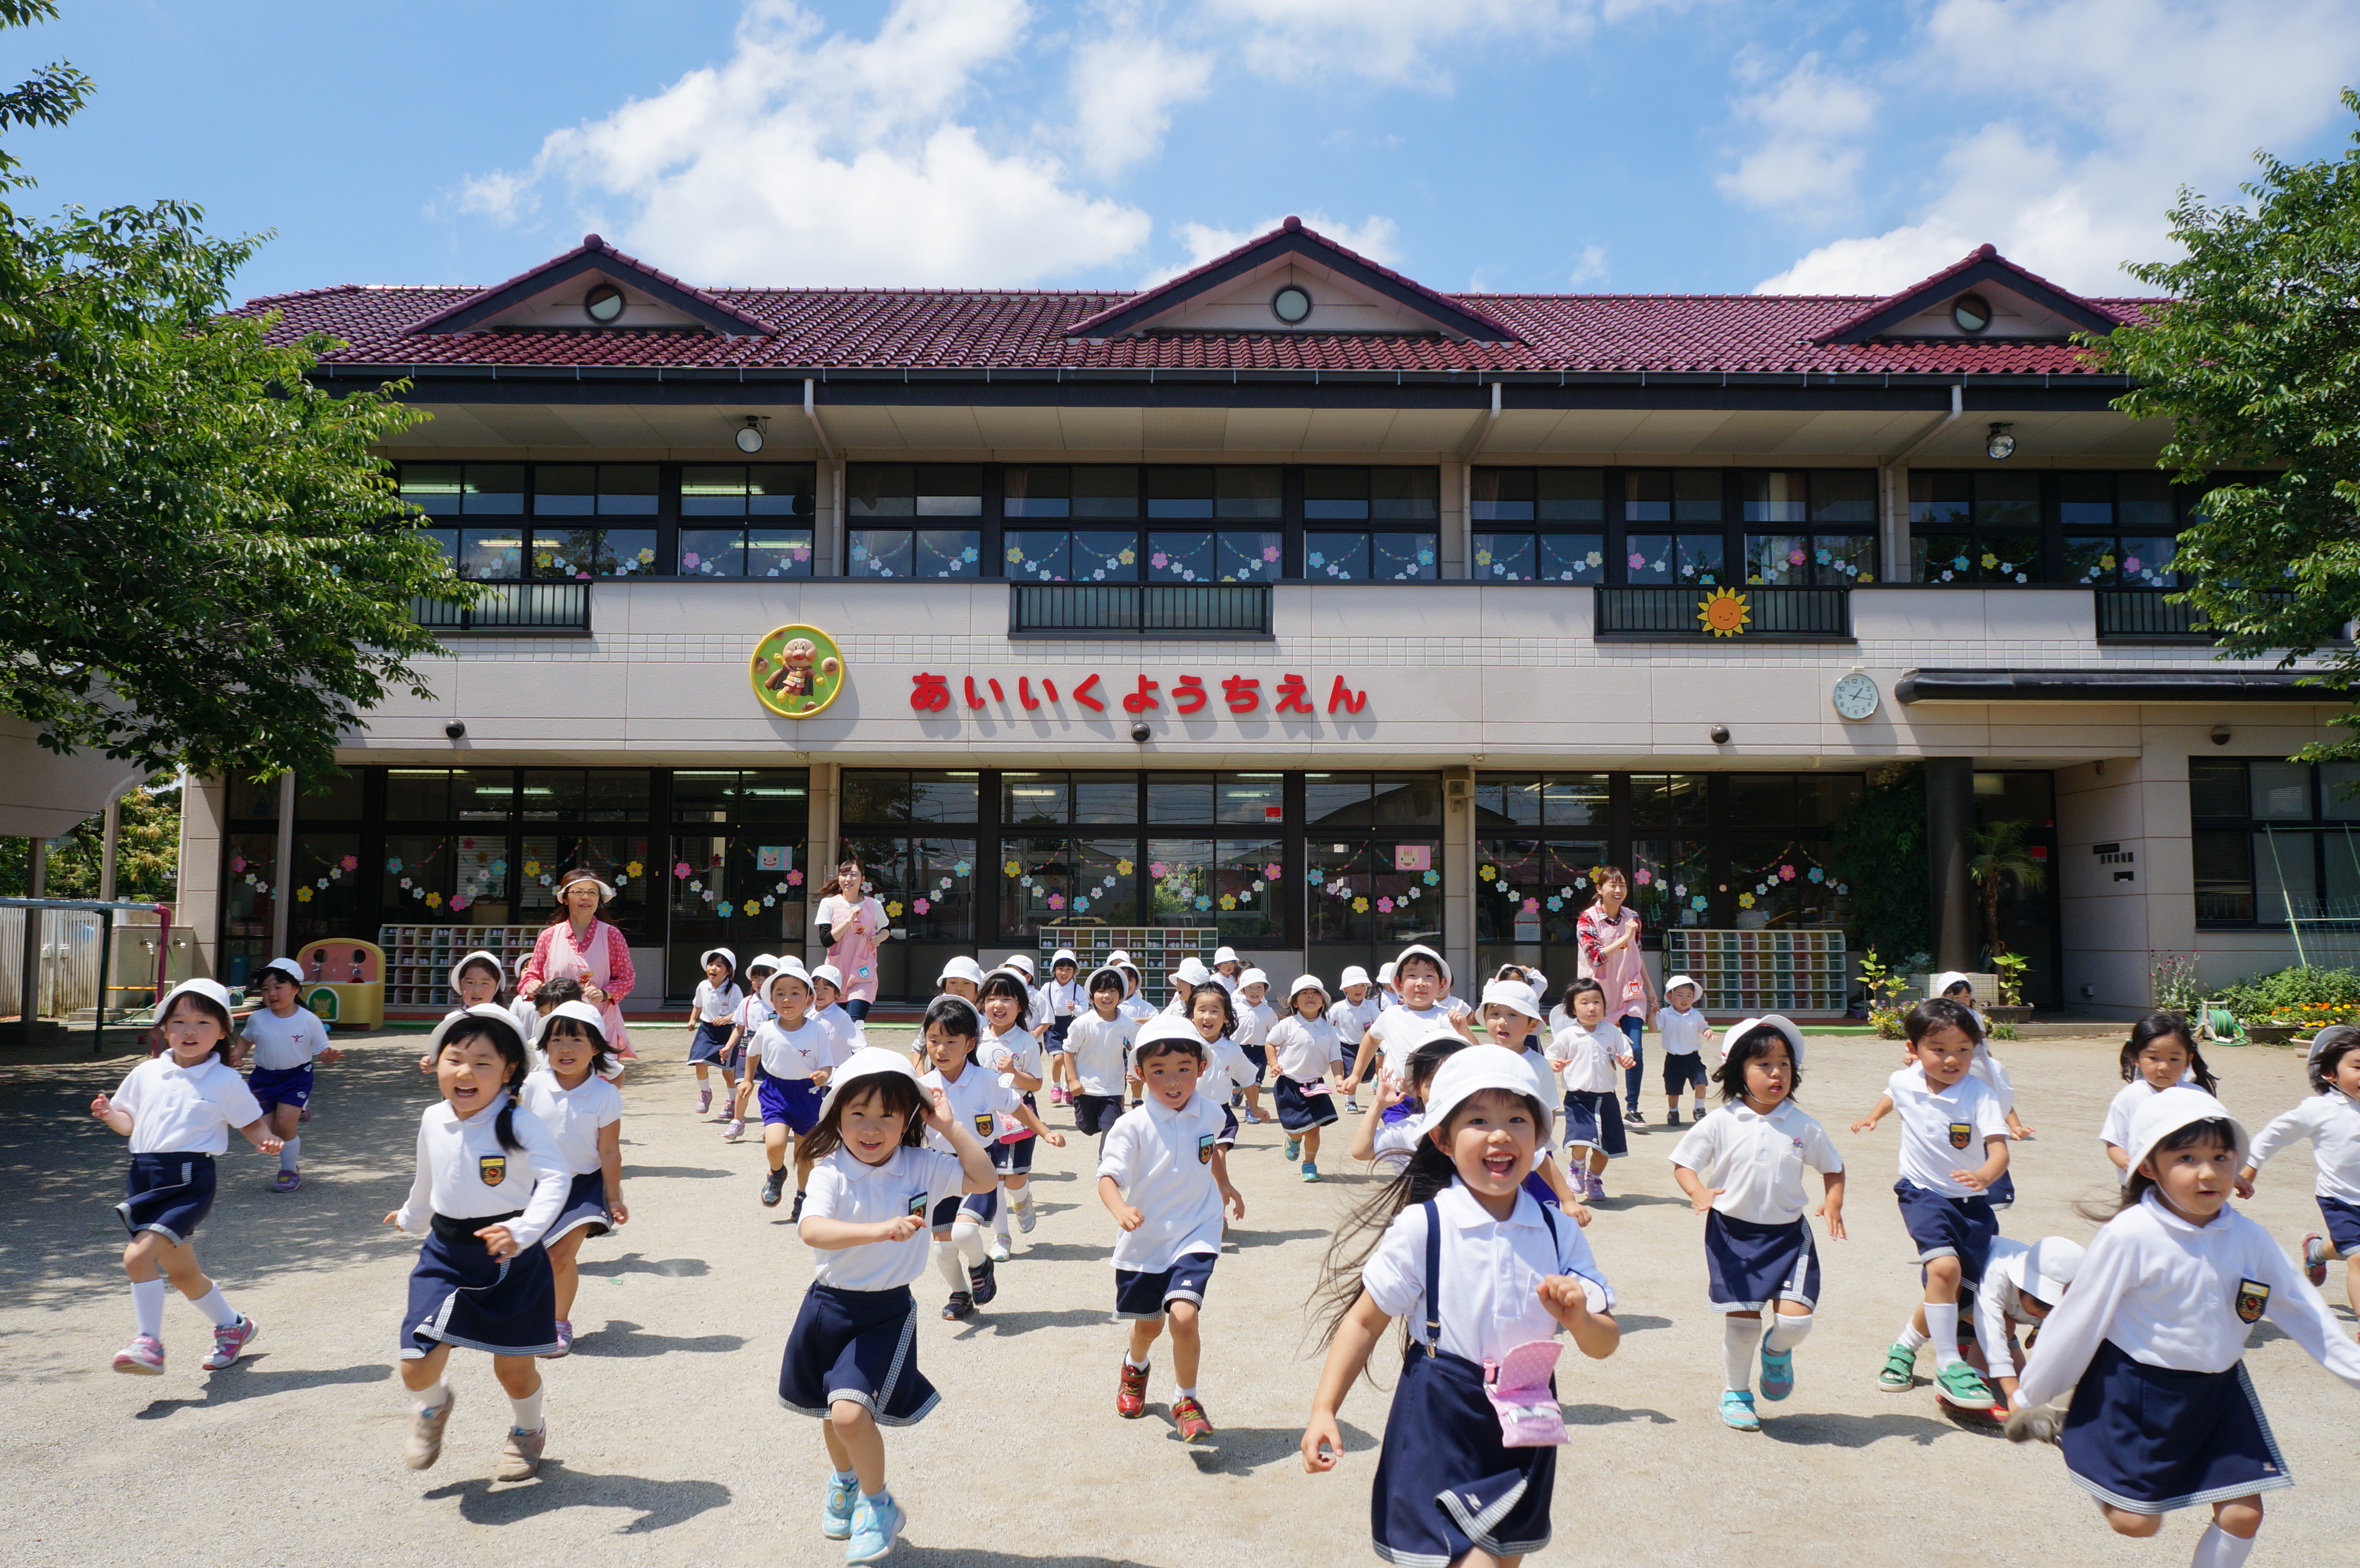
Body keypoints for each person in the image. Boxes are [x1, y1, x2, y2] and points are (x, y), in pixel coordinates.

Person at [2007, 1088, 2360, 1566]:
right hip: (2136, 1392)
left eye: (2221, 1156)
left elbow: (2304, 1312)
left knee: (2243, 1515)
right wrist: (2031, 1394)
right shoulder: (2131, 1236)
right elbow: (2078, 1319)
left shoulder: (2249, 1239)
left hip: (2219, 1394)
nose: (2208, 1172)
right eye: (2187, 1157)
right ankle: (2075, 1431)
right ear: (2150, 1167)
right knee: (2136, 1524)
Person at [1301, 1046, 1620, 1568]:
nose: (1500, 1134)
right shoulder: (1424, 1225)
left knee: (1502, 1556)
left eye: (1517, 1118)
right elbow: (1363, 1320)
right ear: (1443, 1140)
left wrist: (1581, 1318)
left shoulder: (1556, 1230)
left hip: (1527, 1412)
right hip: (1439, 1410)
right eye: (1478, 1120)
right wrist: (1323, 1410)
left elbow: (1605, 1341)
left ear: (1538, 1140)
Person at [786, 1046, 997, 1564]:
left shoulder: (919, 1165)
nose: (871, 1127)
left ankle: (879, 1506)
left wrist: (948, 1126)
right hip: (826, 1306)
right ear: (838, 1116)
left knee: (851, 1415)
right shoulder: (831, 1169)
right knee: (829, 1414)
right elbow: (810, 1229)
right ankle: (845, 1482)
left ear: (908, 1119)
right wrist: (878, 1230)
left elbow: (985, 1179)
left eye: (887, 1114)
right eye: (857, 1113)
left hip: (885, 1312)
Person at [385, 1006, 571, 1481]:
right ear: (437, 1064)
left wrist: (524, 1231)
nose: (466, 1073)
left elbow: (555, 1180)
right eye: (455, 1059)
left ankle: (528, 1432)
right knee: (415, 1368)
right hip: (444, 1256)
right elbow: (427, 1181)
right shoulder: (432, 1118)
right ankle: (434, 1407)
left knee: (513, 1371)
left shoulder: (520, 1123)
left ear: (509, 1071)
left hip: (508, 1259)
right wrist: (410, 1217)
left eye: (483, 1062)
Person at [92, 978, 279, 1376]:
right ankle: (234, 1326)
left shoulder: (225, 1080)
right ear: (164, 1028)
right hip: (144, 1176)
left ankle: (148, 1343)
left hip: (189, 1180)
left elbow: (251, 1123)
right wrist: (111, 1115)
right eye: (178, 1022)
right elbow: (128, 1124)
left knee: (138, 1257)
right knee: (182, 1273)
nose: (189, 1031)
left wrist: (267, 1142)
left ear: (224, 1031)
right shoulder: (147, 1073)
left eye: (203, 1023)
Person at [1668, 1015, 1845, 1431]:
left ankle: (1778, 1349)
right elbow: (1683, 1164)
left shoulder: (1804, 1125)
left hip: (1788, 1238)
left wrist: (1833, 1200)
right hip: (1733, 1235)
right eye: (1764, 1064)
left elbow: (1833, 1168)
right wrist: (1698, 1192)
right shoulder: (1721, 1120)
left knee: (1795, 1321)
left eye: (1784, 1064)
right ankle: (1736, 1393)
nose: (1776, 1073)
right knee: (1742, 1322)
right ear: (1738, 1070)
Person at [1851, 997, 2011, 1408]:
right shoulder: (1906, 1080)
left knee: (1953, 1289)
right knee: (1944, 1268)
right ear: (1914, 1048)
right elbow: (1894, 1093)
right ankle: (1948, 1366)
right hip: (1923, 1194)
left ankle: (1903, 1348)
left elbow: (2000, 1153)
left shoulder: (1980, 1095)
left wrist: (1985, 1176)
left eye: (1962, 1049)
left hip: (1972, 1204)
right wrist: (1873, 1116)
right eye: (1938, 1049)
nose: (1951, 1059)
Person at [1100, 1015, 1247, 1442]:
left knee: (1184, 1316)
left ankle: (1187, 1400)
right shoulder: (1131, 1127)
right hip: (1145, 1241)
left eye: (1184, 1068)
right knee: (1148, 1326)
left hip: (1197, 1230)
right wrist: (1120, 1210)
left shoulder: (1213, 1114)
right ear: (1139, 1074)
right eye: (1158, 1071)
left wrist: (1224, 1185)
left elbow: (1211, 1152)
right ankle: (1135, 1367)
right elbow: (1107, 1178)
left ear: (1202, 1068)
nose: (1172, 1081)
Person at [919, 996, 1061, 1320]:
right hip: (939, 1169)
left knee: (965, 1233)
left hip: (982, 1166)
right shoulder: (922, 1087)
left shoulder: (987, 1081)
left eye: (951, 1041)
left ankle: (980, 1263)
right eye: (934, 1041)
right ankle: (960, 1294)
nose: (941, 1050)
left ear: (970, 1043)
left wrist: (1044, 1131)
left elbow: (1017, 1106)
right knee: (942, 1249)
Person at [520, 1001, 627, 1358]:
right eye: (557, 1040)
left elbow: (610, 1151)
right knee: (530, 1259)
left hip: (583, 1187)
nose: (566, 1048)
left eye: (577, 1040)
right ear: (545, 1047)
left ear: (596, 1047)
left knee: (561, 1256)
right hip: (534, 1187)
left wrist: (614, 1198)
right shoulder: (532, 1086)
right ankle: (522, 1316)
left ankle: (558, 1323)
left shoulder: (605, 1094)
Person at [2242, 1022, 2360, 1322]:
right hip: (2340, 1198)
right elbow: (2274, 1134)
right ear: (2330, 1074)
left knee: (2350, 1247)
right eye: (2358, 1067)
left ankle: (2317, 1251)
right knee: (2359, 1259)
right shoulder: (2320, 1110)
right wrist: (2251, 1165)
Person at [736, 964, 834, 1215]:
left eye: (795, 993)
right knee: (775, 1145)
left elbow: (826, 1064)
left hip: (808, 1095)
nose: (787, 999)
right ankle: (777, 1172)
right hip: (776, 1092)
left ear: (809, 999)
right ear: (771, 999)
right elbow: (753, 1052)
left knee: (804, 1153)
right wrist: (747, 1079)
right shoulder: (767, 1029)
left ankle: (804, 1197)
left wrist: (823, 1076)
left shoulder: (817, 1030)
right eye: (780, 994)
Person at [240, 956, 343, 1191]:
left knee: (285, 1127)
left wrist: (329, 1057)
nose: (271, 994)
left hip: (296, 1077)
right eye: (266, 989)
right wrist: (236, 1057)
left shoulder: (309, 1020)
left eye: (278, 987)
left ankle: (289, 1171)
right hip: (263, 1078)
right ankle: (300, 1109)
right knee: (265, 1130)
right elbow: (245, 1040)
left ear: (296, 989)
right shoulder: (257, 1019)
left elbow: (322, 1052)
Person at [518, 869, 637, 1061]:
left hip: (599, 1024)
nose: (586, 897)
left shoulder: (611, 936)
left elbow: (626, 978)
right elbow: (531, 976)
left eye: (592, 892)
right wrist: (530, 985)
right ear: (565, 899)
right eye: (578, 892)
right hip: (556, 1026)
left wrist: (605, 993)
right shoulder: (549, 936)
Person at [976, 968, 1048, 1258]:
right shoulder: (976, 1038)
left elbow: (1037, 1084)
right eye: (992, 998)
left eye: (1007, 999)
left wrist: (1013, 1072)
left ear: (1020, 1005)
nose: (998, 1005)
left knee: (1015, 1178)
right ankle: (1002, 1238)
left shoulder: (1026, 1041)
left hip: (1018, 1117)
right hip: (984, 1118)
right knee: (993, 1179)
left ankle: (1023, 1199)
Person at [1575, 866, 1657, 1123]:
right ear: (1600, 889)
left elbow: (1637, 955)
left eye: (1623, 885)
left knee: (1636, 1049)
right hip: (1598, 996)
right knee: (1599, 1053)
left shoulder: (1632, 917)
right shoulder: (1587, 919)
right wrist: (1626, 935)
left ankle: (1632, 1108)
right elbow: (1597, 957)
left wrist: (1652, 992)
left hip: (1630, 992)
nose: (1619, 890)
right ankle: (1598, 1104)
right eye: (1613, 885)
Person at [1342, 944, 1473, 1100]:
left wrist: (1464, 1031)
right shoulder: (1390, 1016)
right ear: (1398, 984)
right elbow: (1371, 1038)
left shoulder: (1446, 1017)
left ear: (1442, 985)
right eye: (1412, 976)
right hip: (1396, 1097)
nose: (1421, 983)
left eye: (1429, 976)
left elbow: (1475, 1054)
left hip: (1434, 1097)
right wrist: (1356, 1075)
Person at [2103, 1012, 2217, 1177]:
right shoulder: (2130, 1097)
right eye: (2154, 1058)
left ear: (2188, 1060)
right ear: (2136, 1058)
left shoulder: (2197, 1097)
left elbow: (2216, 1143)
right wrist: (2127, 1162)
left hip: (2185, 1184)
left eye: (2174, 1059)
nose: (2163, 1067)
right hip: (2140, 1184)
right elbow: (2114, 1142)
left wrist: (2232, 1175)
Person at [1550, 977, 1634, 1201]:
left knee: (1605, 1147)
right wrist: (1554, 1063)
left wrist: (1626, 1060)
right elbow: (1552, 1054)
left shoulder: (1612, 1031)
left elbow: (1626, 1051)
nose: (1592, 1007)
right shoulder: (1568, 1035)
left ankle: (1594, 1178)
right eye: (1584, 1002)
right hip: (1579, 1098)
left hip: (1607, 1097)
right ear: (1573, 1009)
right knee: (1582, 1138)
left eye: (1597, 1002)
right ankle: (1576, 1167)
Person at [1933, 971, 2035, 1143]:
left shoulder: (1973, 1015)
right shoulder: (1937, 1016)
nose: (1963, 1001)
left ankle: (2015, 1126)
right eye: (1957, 998)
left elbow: (1981, 1040)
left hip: (1975, 1059)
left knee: (1995, 1089)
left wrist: (1989, 1059)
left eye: (1966, 996)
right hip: (1949, 1061)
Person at [1268, 974, 1341, 1179]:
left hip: (1316, 1087)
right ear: (1294, 1002)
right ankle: (1293, 1138)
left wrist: (1338, 1078)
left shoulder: (1328, 1029)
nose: (1310, 997)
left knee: (1314, 1129)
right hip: (1289, 1086)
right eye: (1304, 994)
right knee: (1297, 1129)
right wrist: (1274, 1064)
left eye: (1315, 993)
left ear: (1323, 1002)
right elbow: (1270, 1042)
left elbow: (1335, 1056)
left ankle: (1309, 1165)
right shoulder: (1288, 1025)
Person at [1066, 966, 1139, 1149]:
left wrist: (1133, 1071)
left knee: (1111, 1127)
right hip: (1086, 1087)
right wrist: (1072, 1080)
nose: (1107, 996)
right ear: (1092, 996)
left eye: (1113, 991)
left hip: (1113, 1088)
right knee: (1087, 1126)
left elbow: (1135, 1051)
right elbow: (1069, 1051)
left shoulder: (1127, 1025)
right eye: (1101, 991)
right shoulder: (1082, 1023)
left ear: (1121, 996)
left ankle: (1104, 1162)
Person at [815, 860, 886, 1023]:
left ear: (862, 880)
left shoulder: (873, 905)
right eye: (844, 874)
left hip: (863, 974)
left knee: (854, 1023)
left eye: (854, 875)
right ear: (839, 878)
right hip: (836, 975)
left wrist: (881, 937)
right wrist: (849, 919)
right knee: (835, 1026)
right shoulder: (829, 904)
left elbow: (886, 928)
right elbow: (826, 940)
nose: (848, 879)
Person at [719, 956, 780, 1141]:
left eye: (765, 978)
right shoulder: (746, 1003)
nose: (760, 983)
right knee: (743, 1087)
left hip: (773, 1048)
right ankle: (737, 1122)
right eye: (756, 978)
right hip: (749, 1046)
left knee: (771, 1090)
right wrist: (729, 1047)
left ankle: (771, 1124)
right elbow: (739, 1028)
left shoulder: (779, 1001)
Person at [687, 947, 743, 1119]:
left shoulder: (734, 990)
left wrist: (727, 1019)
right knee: (699, 1062)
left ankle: (732, 1102)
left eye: (719, 965)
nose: (713, 969)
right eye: (711, 964)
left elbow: (740, 1012)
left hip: (727, 1033)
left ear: (729, 971)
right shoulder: (703, 986)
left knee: (728, 1072)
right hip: (706, 1030)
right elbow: (698, 1004)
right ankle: (705, 1093)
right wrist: (693, 1019)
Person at [1652, 973, 1714, 1128]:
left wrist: (1708, 1031)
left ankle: (1699, 1109)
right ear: (1670, 996)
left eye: (1689, 996)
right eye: (1680, 995)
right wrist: (1652, 1013)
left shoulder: (1696, 1014)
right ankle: (1673, 1111)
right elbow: (1653, 1029)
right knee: (1673, 1090)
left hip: (1693, 1057)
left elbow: (1703, 1026)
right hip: (1673, 1059)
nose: (1685, 999)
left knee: (1701, 1083)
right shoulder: (1665, 1014)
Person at [1328, 966, 1380, 1111]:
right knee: (1351, 1074)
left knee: (1367, 1075)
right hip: (1346, 1045)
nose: (1360, 990)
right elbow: (1326, 1023)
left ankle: (1374, 1080)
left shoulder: (1370, 1006)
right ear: (1345, 989)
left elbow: (1381, 1021)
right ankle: (1350, 1101)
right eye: (1355, 986)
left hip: (1366, 1045)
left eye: (1363, 986)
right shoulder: (1338, 1008)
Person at [1234, 968, 1277, 1127]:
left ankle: (1252, 1110)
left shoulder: (1268, 1012)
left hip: (1260, 1051)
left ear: (1265, 990)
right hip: (1239, 1050)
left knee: (1255, 1084)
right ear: (1243, 990)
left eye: (1259, 987)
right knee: (1237, 1084)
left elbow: (1275, 1031)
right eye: (1250, 987)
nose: (1255, 991)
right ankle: (1237, 1091)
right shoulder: (1236, 1009)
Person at [1042, 948, 1083, 1106]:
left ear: (1074, 971)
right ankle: (1055, 1087)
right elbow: (1041, 1006)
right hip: (1053, 1026)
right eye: (1060, 969)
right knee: (1058, 1058)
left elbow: (1085, 1009)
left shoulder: (1077, 989)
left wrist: (1076, 1009)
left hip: (1071, 1026)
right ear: (1054, 970)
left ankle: (1068, 1089)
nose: (1064, 973)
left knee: (1069, 1061)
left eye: (1068, 969)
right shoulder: (1048, 988)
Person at [811, 964, 869, 1068]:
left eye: (826, 988)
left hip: (835, 1073)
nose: (819, 992)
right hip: (812, 1073)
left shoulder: (840, 1017)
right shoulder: (808, 1015)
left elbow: (860, 1045)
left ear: (837, 993)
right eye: (815, 988)